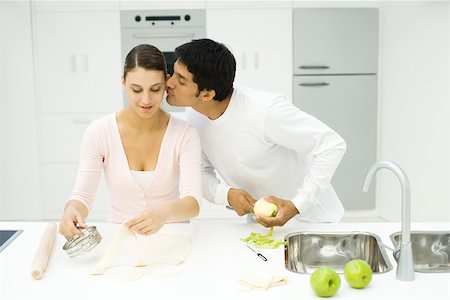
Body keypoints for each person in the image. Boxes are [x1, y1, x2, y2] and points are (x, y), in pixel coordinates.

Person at [165, 38, 346, 227]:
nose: (169, 83)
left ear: (207, 94)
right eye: (174, 73)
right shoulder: (195, 114)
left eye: (181, 80)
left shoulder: (265, 111)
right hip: (261, 224)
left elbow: (331, 144)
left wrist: (297, 205)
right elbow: (200, 172)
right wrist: (226, 195)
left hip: (313, 222)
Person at [59, 44, 201, 238]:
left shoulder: (184, 133)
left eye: (155, 89)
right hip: (120, 239)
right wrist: (71, 211)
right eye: (136, 89)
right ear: (123, 83)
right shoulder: (100, 132)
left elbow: (193, 202)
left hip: (173, 235)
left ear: (166, 83)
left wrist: (164, 213)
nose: (146, 100)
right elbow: (82, 197)